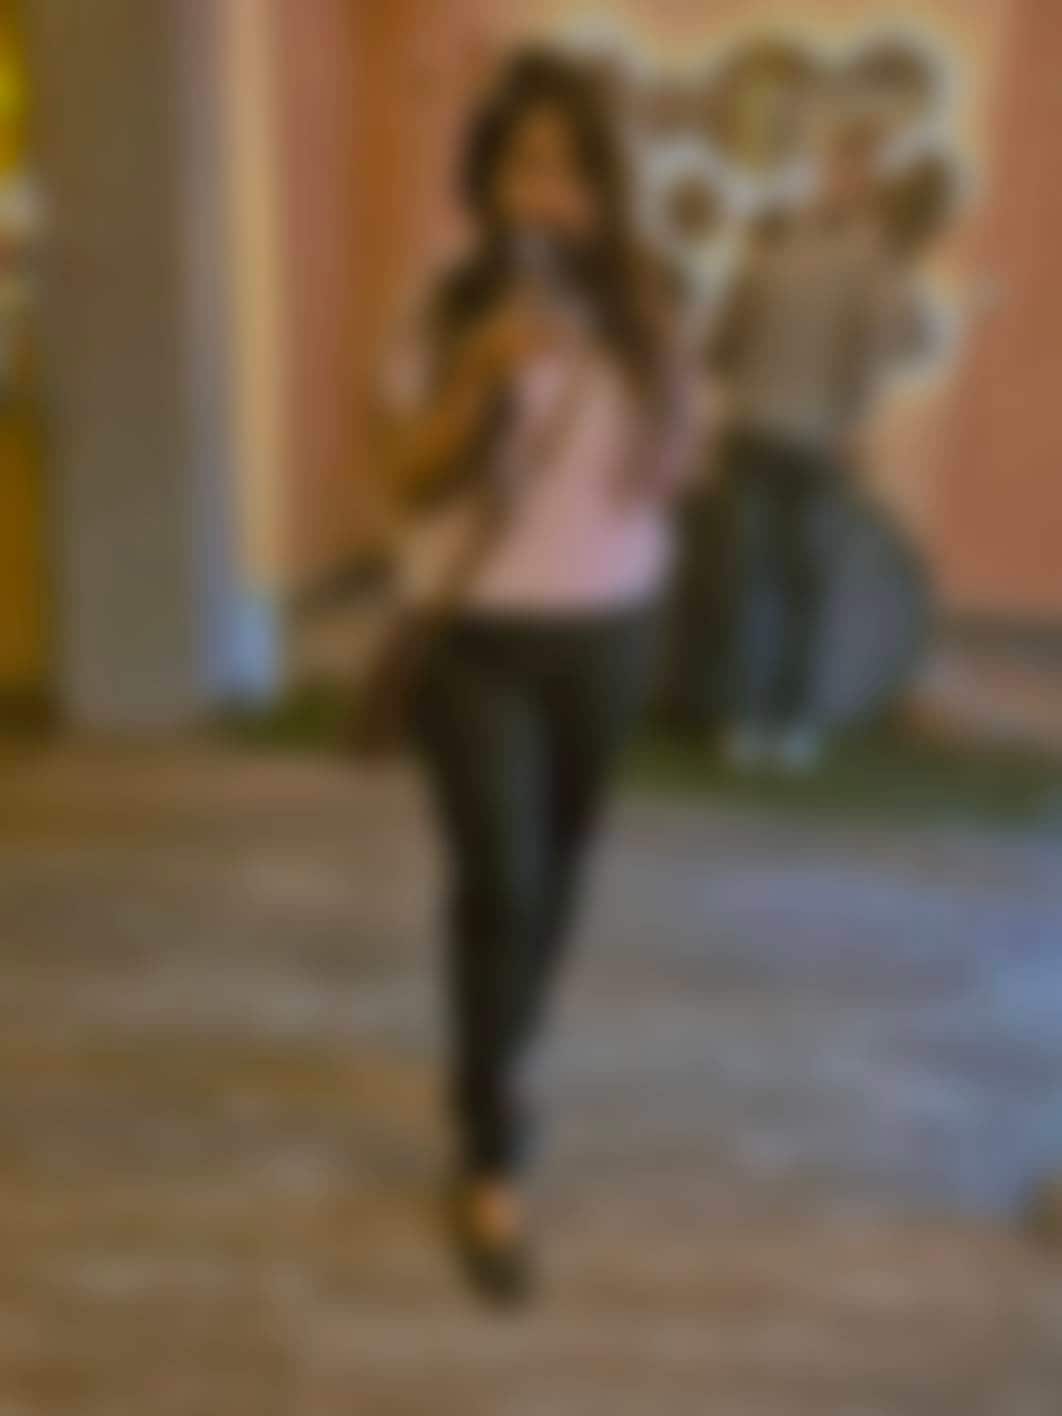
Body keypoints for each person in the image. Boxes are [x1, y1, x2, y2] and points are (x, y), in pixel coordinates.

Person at [375, 51, 699, 1304]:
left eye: (575, 169)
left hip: (611, 632)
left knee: (557, 879)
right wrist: (478, 376)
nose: (549, 193)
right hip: (478, 642)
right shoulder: (444, 301)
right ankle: (489, 1151)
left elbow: (671, 471)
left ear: (610, 188)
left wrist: (666, 389)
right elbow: (404, 476)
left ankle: (498, 1062)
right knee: (501, 883)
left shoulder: (646, 306)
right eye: (527, 164)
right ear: (489, 177)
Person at [705, 117, 916, 772]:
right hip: (781, 434)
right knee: (776, 586)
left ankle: (771, 720)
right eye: (839, 166)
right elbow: (884, 345)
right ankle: (766, 721)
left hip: (798, 438)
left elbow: (724, 344)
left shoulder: (812, 250)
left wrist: (852, 422)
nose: (841, 180)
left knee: (776, 585)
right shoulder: (856, 254)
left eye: (850, 169)